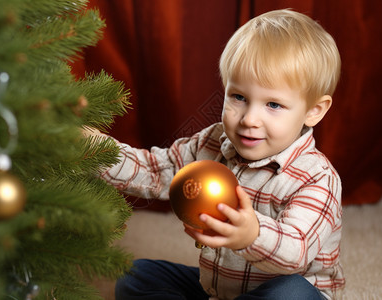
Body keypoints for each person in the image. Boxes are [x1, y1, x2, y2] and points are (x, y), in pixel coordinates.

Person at [100, 9, 345, 300]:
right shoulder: (213, 142)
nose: (250, 119)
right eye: (239, 97)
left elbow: (297, 252)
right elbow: (156, 170)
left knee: (291, 294)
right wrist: (97, 150)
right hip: (219, 289)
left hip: (289, 290)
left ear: (313, 111)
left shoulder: (317, 178)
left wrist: (252, 235)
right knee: (136, 276)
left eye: (273, 105)